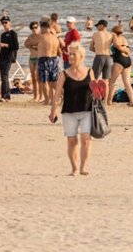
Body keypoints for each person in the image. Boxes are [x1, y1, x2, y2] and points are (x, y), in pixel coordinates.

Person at [48, 42, 95, 176]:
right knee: (72, 140)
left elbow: (96, 91)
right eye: (69, 54)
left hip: (87, 110)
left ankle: (84, 167)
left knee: (86, 139)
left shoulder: (90, 72)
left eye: (74, 54)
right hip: (69, 111)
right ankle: (74, 168)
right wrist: (53, 111)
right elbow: (56, 94)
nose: (70, 57)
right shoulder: (64, 74)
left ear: (81, 56)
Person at [106, 25, 133, 106]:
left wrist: (121, 50)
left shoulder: (115, 37)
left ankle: (109, 101)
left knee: (111, 81)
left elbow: (116, 45)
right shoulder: (124, 39)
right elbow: (128, 50)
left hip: (119, 61)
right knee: (127, 83)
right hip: (128, 60)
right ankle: (132, 101)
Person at [35, 20, 62, 104]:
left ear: (44, 28)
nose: (40, 30)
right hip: (54, 60)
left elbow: (27, 43)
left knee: (43, 81)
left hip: (44, 59)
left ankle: (47, 100)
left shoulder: (41, 37)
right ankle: (63, 96)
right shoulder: (55, 38)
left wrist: (34, 47)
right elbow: (59, 52)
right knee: (53, 82)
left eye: (41, 28)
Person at [0, 16, 19, 102]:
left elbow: (16, 46)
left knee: (5, 76)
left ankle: (6, 96)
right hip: (2, 57)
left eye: (6, 22)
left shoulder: (13, 33)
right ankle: (4, 95)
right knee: (3, 77)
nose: (4, 24)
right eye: (3, 23)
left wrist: (6, 45)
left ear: (10, 23)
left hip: (8, 58)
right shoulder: (3, 35)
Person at [25, 20, 42, 102]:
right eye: (32, 28)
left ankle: (40, 96)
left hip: (39, 57)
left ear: (38, 27)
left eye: (35, 27)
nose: (34, 29)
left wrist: (35, 46)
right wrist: (32, 46)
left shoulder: (41, 36)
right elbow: (25, 44)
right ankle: (35, 96)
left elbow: (43, 46)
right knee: (33, 77)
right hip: (32, 57)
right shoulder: (30, 36)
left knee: (38, 77)